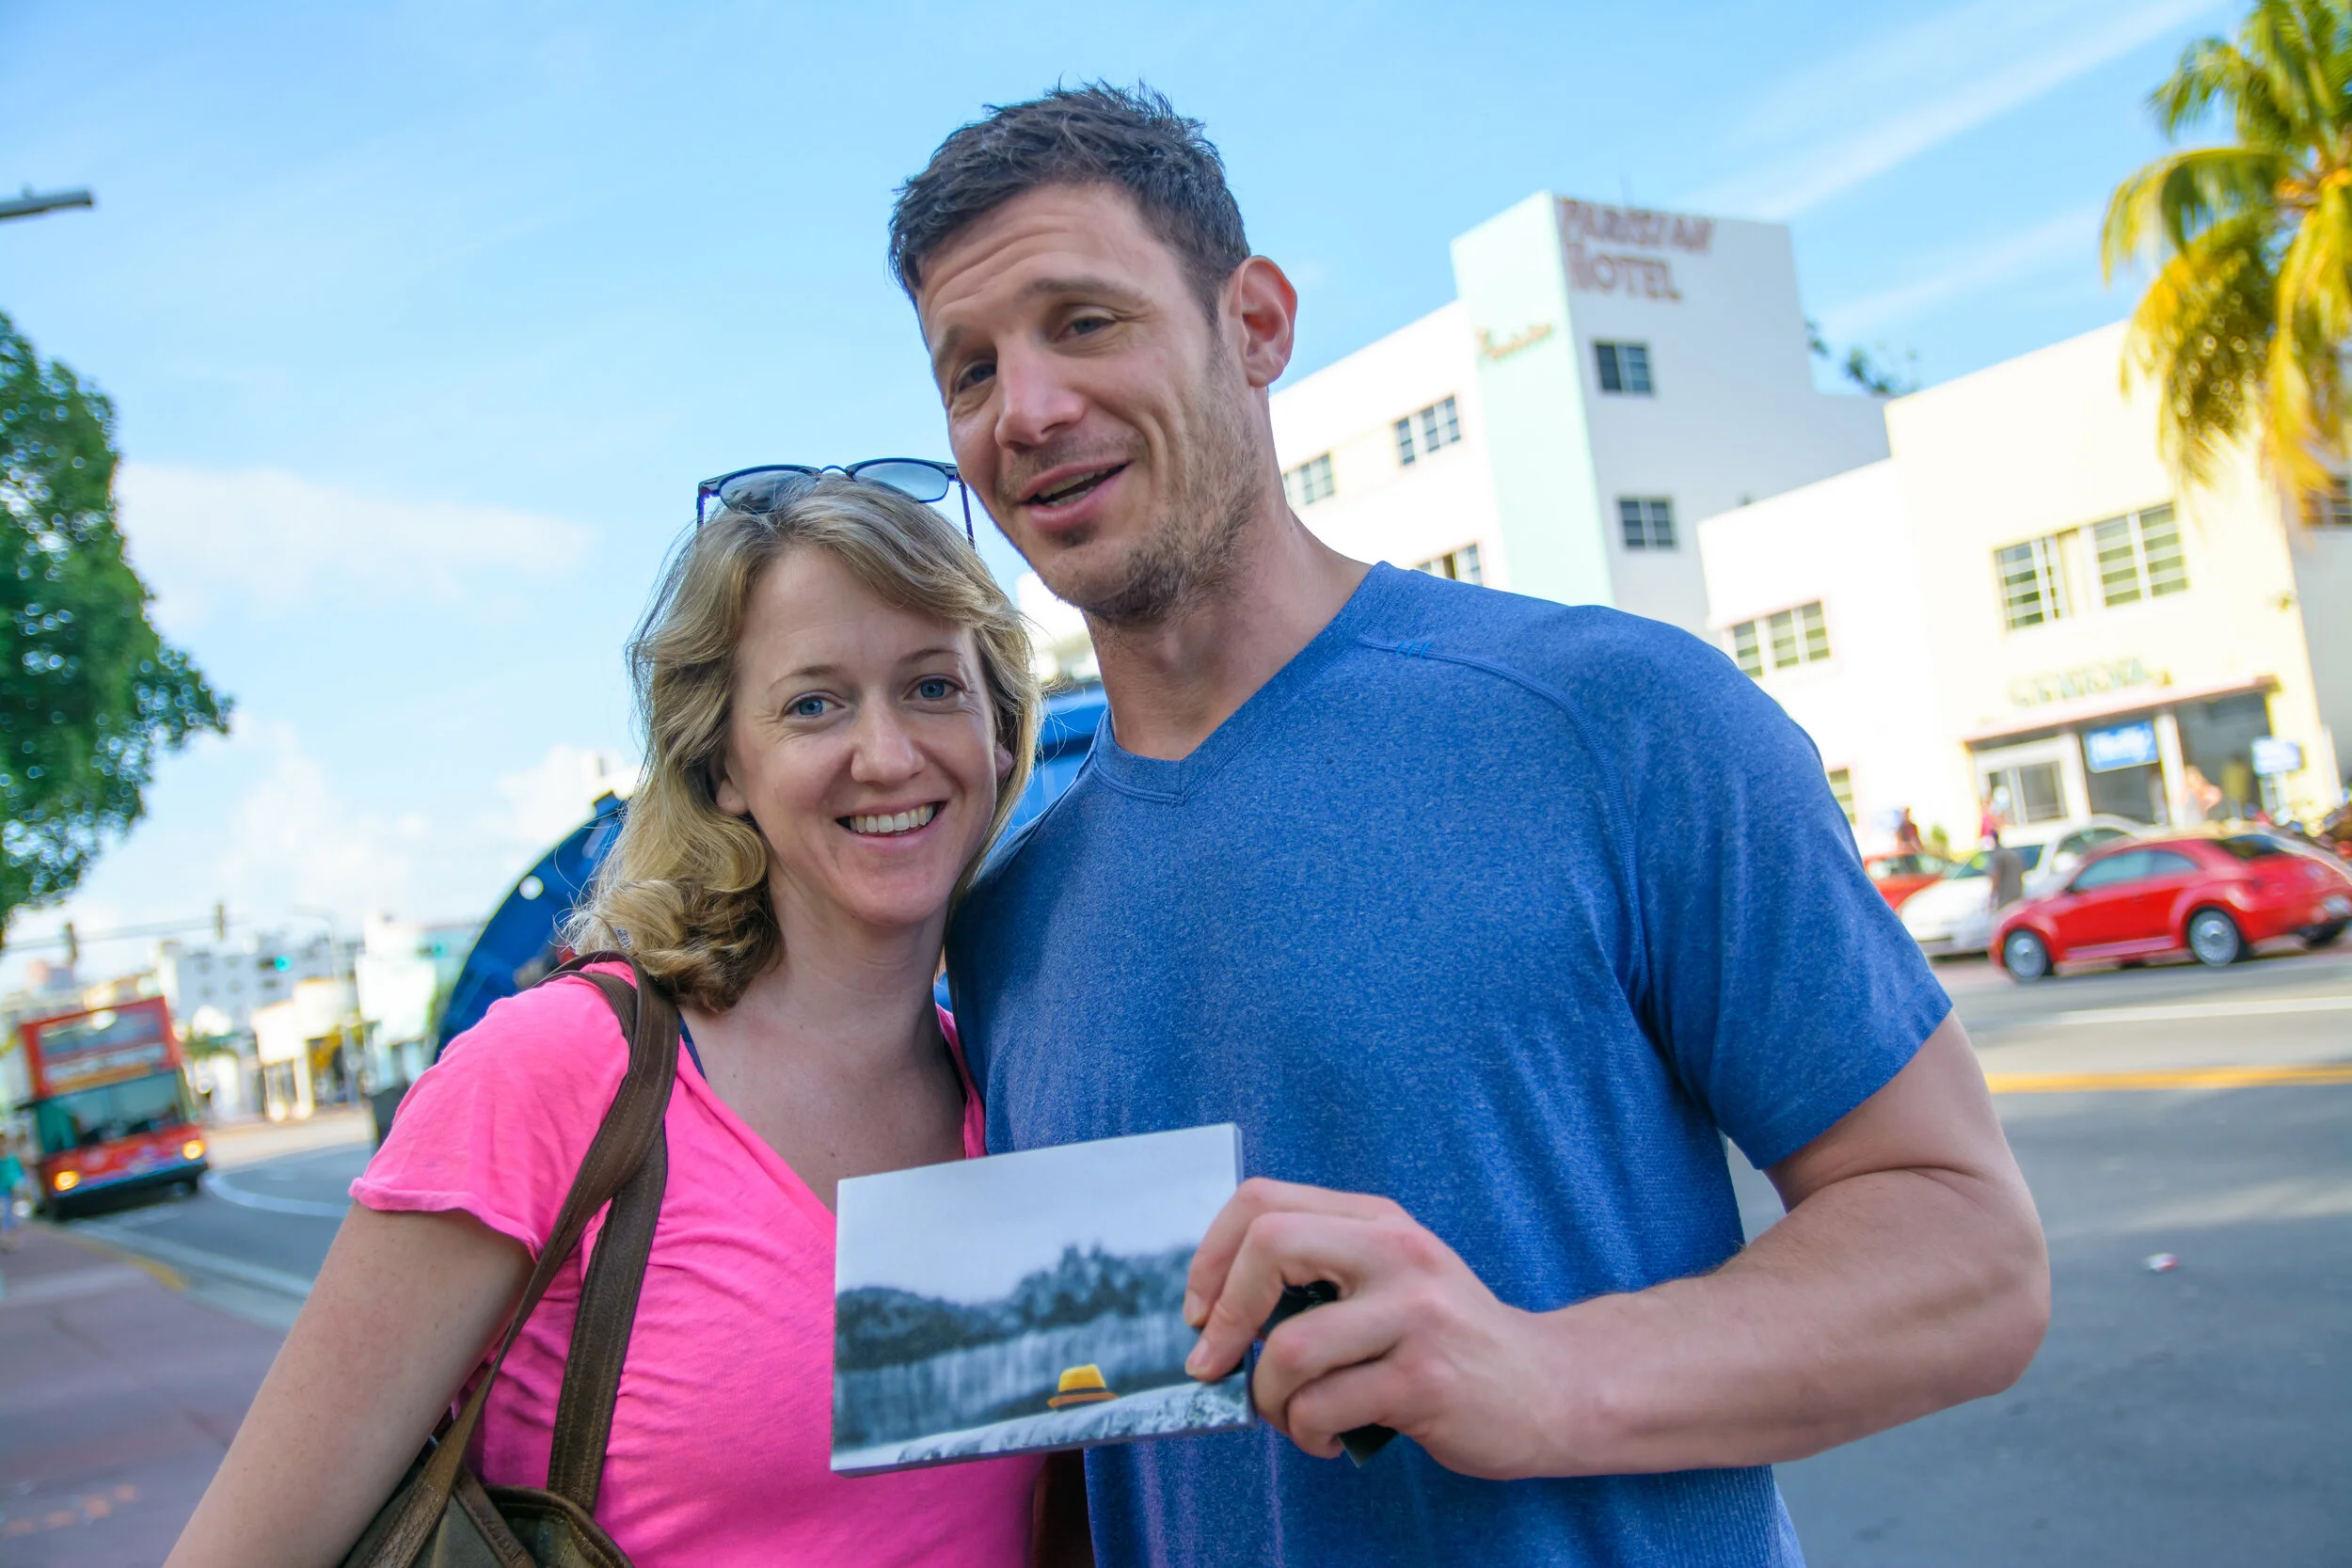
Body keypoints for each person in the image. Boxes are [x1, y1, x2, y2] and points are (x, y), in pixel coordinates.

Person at [900, 85, 2048, 1565]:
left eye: (1085, 321)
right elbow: (1087, 1427)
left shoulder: (1616, 719)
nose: (1028, 407)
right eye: (971, 369)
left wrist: (1551, 1373)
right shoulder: (1004, 910)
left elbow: (1971, 1253)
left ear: (1255, 324)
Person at [166, 476, 1074, 1567]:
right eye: (814, 704)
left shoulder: (1017, 1092)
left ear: (998, 731)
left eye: (932, 686)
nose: (886, 754)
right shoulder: (557, 1072)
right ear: (723, 766)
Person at [1986, 831, 2026, 913]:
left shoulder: (1998, 856)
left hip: (2005, 897)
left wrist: (1991, 896)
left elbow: (1996, 877)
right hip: (2017, 893)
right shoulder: (2012, 853)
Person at [0, 1131, 26, 1252]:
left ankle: (11, 1240)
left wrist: (19, 1184)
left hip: (14, 1191)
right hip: (2, 1192)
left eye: (3, 1143)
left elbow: (20, 1173)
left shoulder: (12, 1159)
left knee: (14, 1216)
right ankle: (6, 1241)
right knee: (5, 1215)